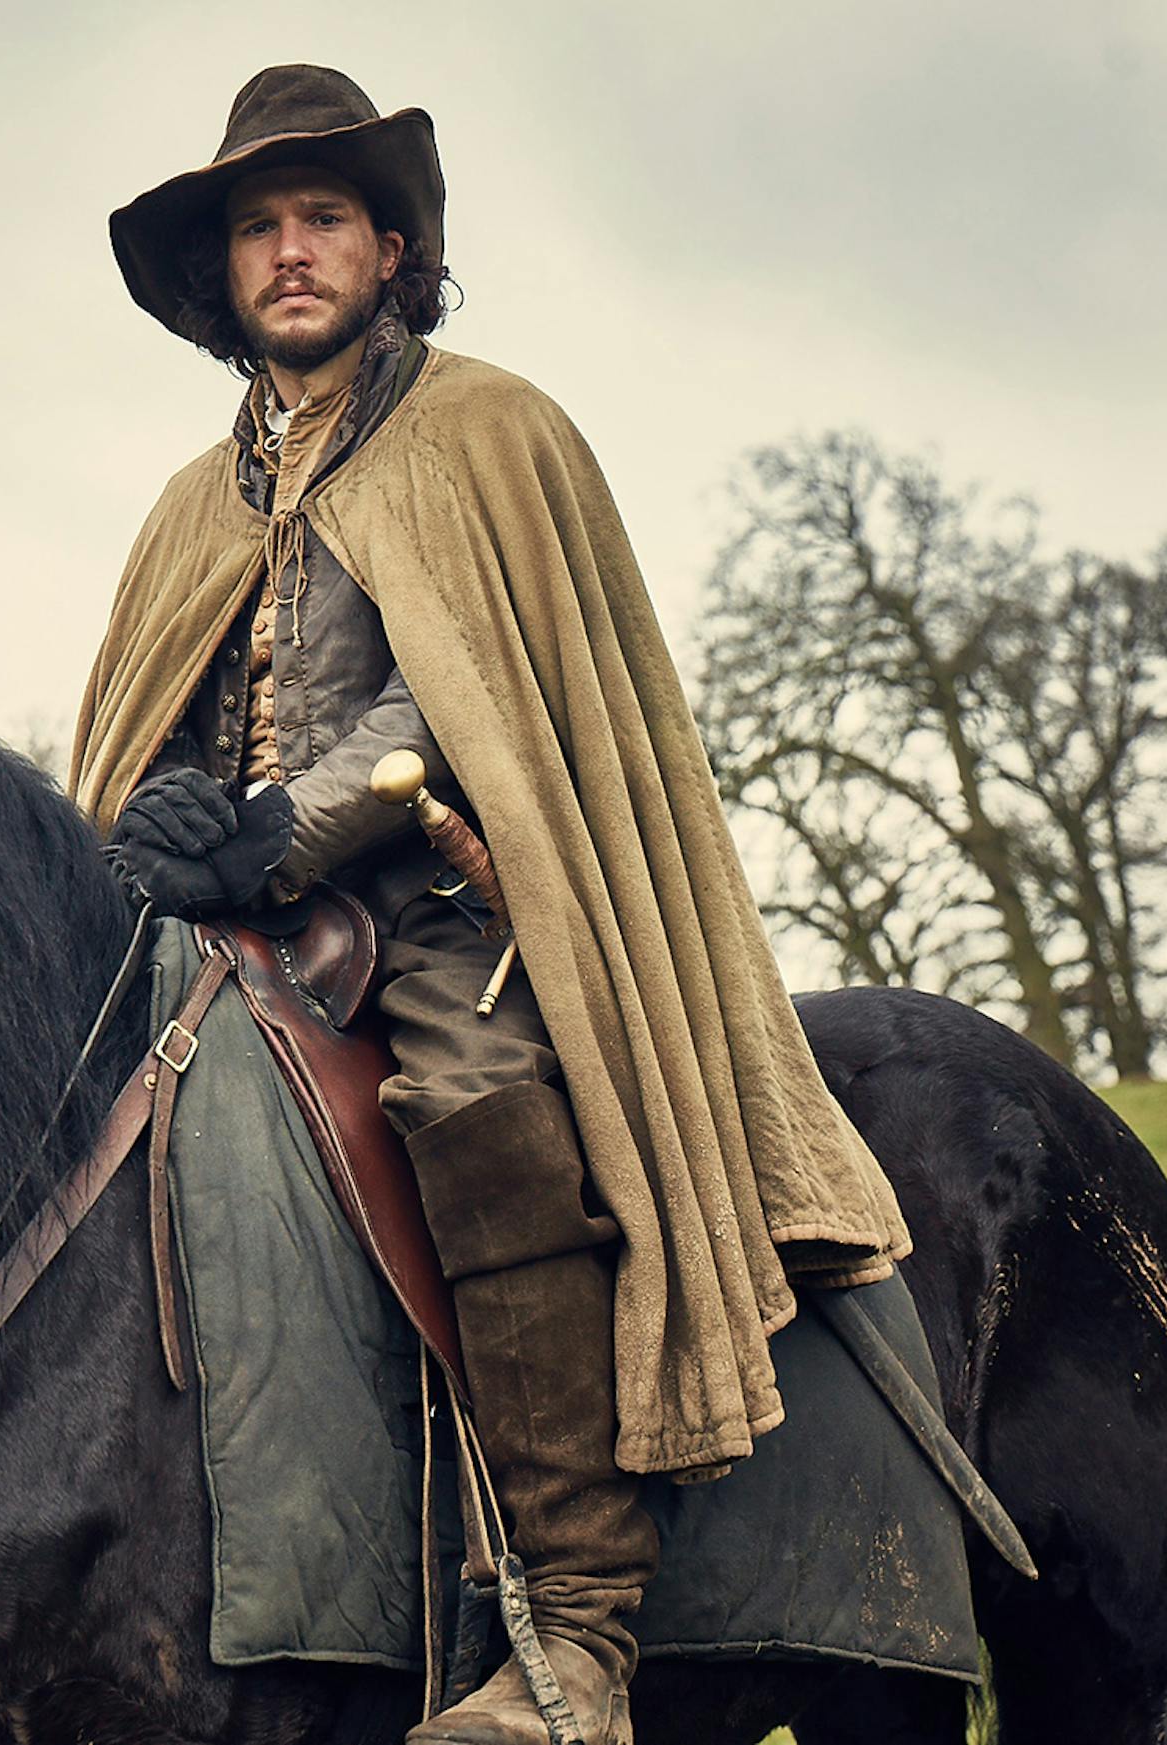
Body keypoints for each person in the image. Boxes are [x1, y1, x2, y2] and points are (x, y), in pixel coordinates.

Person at [68, 66, 913, 1745]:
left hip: (458, 904)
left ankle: (575, 1629)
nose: (291, 251)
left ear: (393, 247)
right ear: (222, 273)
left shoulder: (489, 430)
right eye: (258, 225)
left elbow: (472, 695)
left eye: (323, 218)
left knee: (479, 1099)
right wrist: (157, 819)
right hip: (225, 933)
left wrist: (274, 838)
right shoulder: (191, 501)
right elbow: (153, 720)